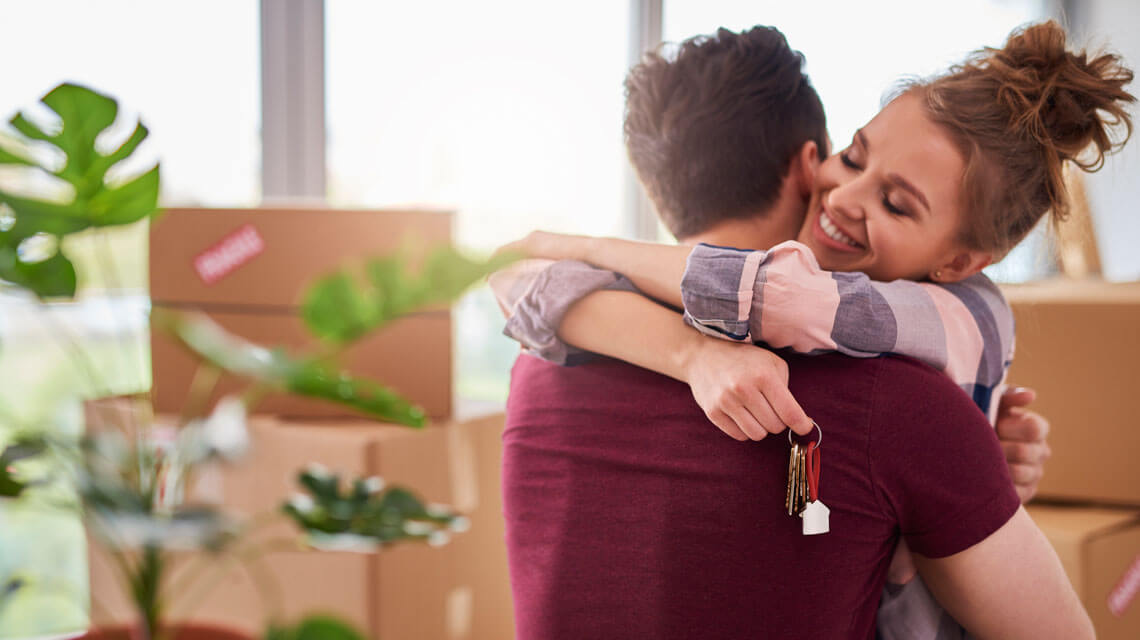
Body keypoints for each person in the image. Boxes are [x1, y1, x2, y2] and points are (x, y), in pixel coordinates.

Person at [495, 22, 1128, 638]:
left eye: (897, 203)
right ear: (809, 163)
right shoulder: (904, 405)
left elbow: (770, 296)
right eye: (850, 157)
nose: (846, 196)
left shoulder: (543, 358)